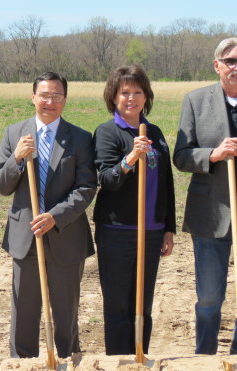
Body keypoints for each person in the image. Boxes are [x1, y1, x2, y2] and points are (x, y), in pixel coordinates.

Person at [0, 72, 97, 358]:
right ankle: (23, 363)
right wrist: (16, 158)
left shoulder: (79, 138)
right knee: (24, 312)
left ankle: (68, 360)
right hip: (24, 237)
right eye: (44, 95)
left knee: (66, 313)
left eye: (56, 96)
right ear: (33, 97)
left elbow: (86, 187)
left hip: (65, 235)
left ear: (65, 100)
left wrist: (55, 216)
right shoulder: (14, 133)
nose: (49, 101)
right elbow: (1, 185)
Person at [93, 65, 176, 355]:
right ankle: (119, 360)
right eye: (124, 92)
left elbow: (166, 182)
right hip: (117, 231)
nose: (131, 98)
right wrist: (131, 158)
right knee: (118, 304)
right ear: (113, 97)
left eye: (137, 92)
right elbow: (106, 180)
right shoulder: (107, 132)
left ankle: (141, 355)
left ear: (146, 96)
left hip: (151, 230)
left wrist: (168, 228)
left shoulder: (154, 131)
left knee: (143, 302)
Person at [173, 37, 237, 355]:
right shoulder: (196, 101)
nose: (236, 66)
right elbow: (181, 156)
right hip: (210, 214)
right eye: (230, 61)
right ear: (217, 66)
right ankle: (205, 356)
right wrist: (213, 154)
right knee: (210, 297)